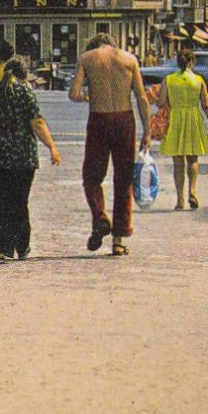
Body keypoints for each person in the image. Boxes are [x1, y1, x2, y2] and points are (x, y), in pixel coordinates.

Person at [0, 58, 62, 262]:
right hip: (23, 156)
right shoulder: (26, 92)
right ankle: (21, 246)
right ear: (23, 75)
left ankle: (0, 250)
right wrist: (52, 147)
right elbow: (37, 123)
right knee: (19, 202)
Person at [69, 33, 152, 257]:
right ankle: (118, 240)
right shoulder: (129, 59)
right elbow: (142, 98)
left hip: (99, 118)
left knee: (92, 176)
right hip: (125, 120)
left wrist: (88, 95)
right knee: (124, 180)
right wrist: (148, 131)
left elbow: (73, 94)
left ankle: (101, 218)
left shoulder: (87, 58)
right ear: (112, 43)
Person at [158, 48, 208, 211]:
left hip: (175, 120)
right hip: (193, 119)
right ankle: (192, 190)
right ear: (191, 62)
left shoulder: (169, 80)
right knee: (192, 159)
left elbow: (160, 102)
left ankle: (180, 200)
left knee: (178, 162)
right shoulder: (199, 80)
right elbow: (206, 105)